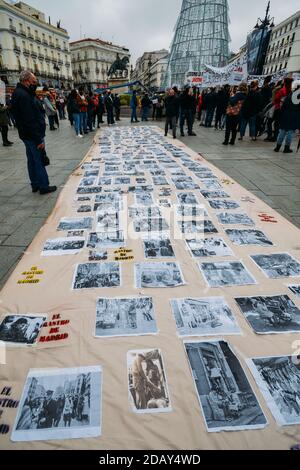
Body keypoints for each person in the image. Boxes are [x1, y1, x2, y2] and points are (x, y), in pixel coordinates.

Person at [11, 71, 56, 194]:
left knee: (31, 159)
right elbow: (29, 119)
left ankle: (35, 183)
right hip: (32, 135)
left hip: (26, 134)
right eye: (33, 81)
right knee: (38, 160)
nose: (35, 84)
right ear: (26, 81)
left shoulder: (19, 93)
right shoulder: (24, 95)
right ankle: (43, 186)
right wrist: (38, 139)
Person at [274, 80, 300, 154]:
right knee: (289, 132)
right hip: (294, 116)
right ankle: (286, 148)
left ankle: (277, 147)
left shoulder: (290, 95)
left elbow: (284, 106)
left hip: (286, 115)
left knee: (282, 131)